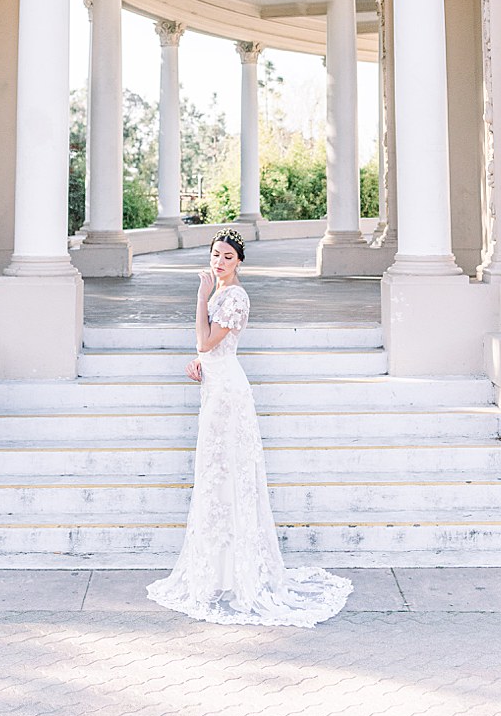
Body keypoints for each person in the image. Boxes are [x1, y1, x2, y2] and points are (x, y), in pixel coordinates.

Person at [147, 227, 352, 627]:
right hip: (216, 386)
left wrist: (200, 300)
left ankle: (240, 573)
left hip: (229, 396)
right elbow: (206, 352)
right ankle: (216, 572)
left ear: (239, 261)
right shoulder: (221, 295)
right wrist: (198, 366)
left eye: (226, 256)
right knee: (214, 477)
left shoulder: (234, 297)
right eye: (214, 254)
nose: (218, 262)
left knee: (228, 475)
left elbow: (207, 342)